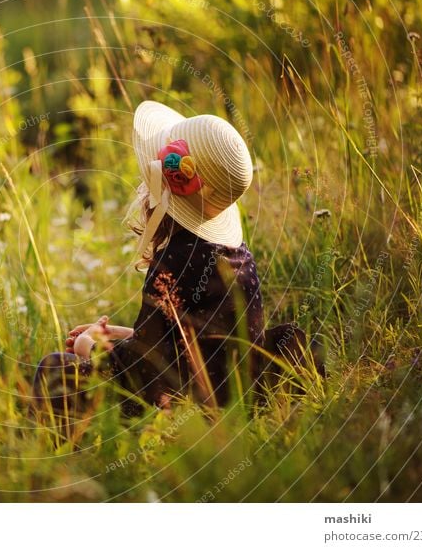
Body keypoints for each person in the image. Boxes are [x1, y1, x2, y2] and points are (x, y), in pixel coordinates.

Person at [32, 101, 320, 436]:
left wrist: (89, 350)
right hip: (232, 387)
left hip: (187, 400)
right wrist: (121, 336)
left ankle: (61, 448)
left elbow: (144, 367)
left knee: (55, 368)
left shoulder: (173, 262)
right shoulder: (238, 255)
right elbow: (194, 339)